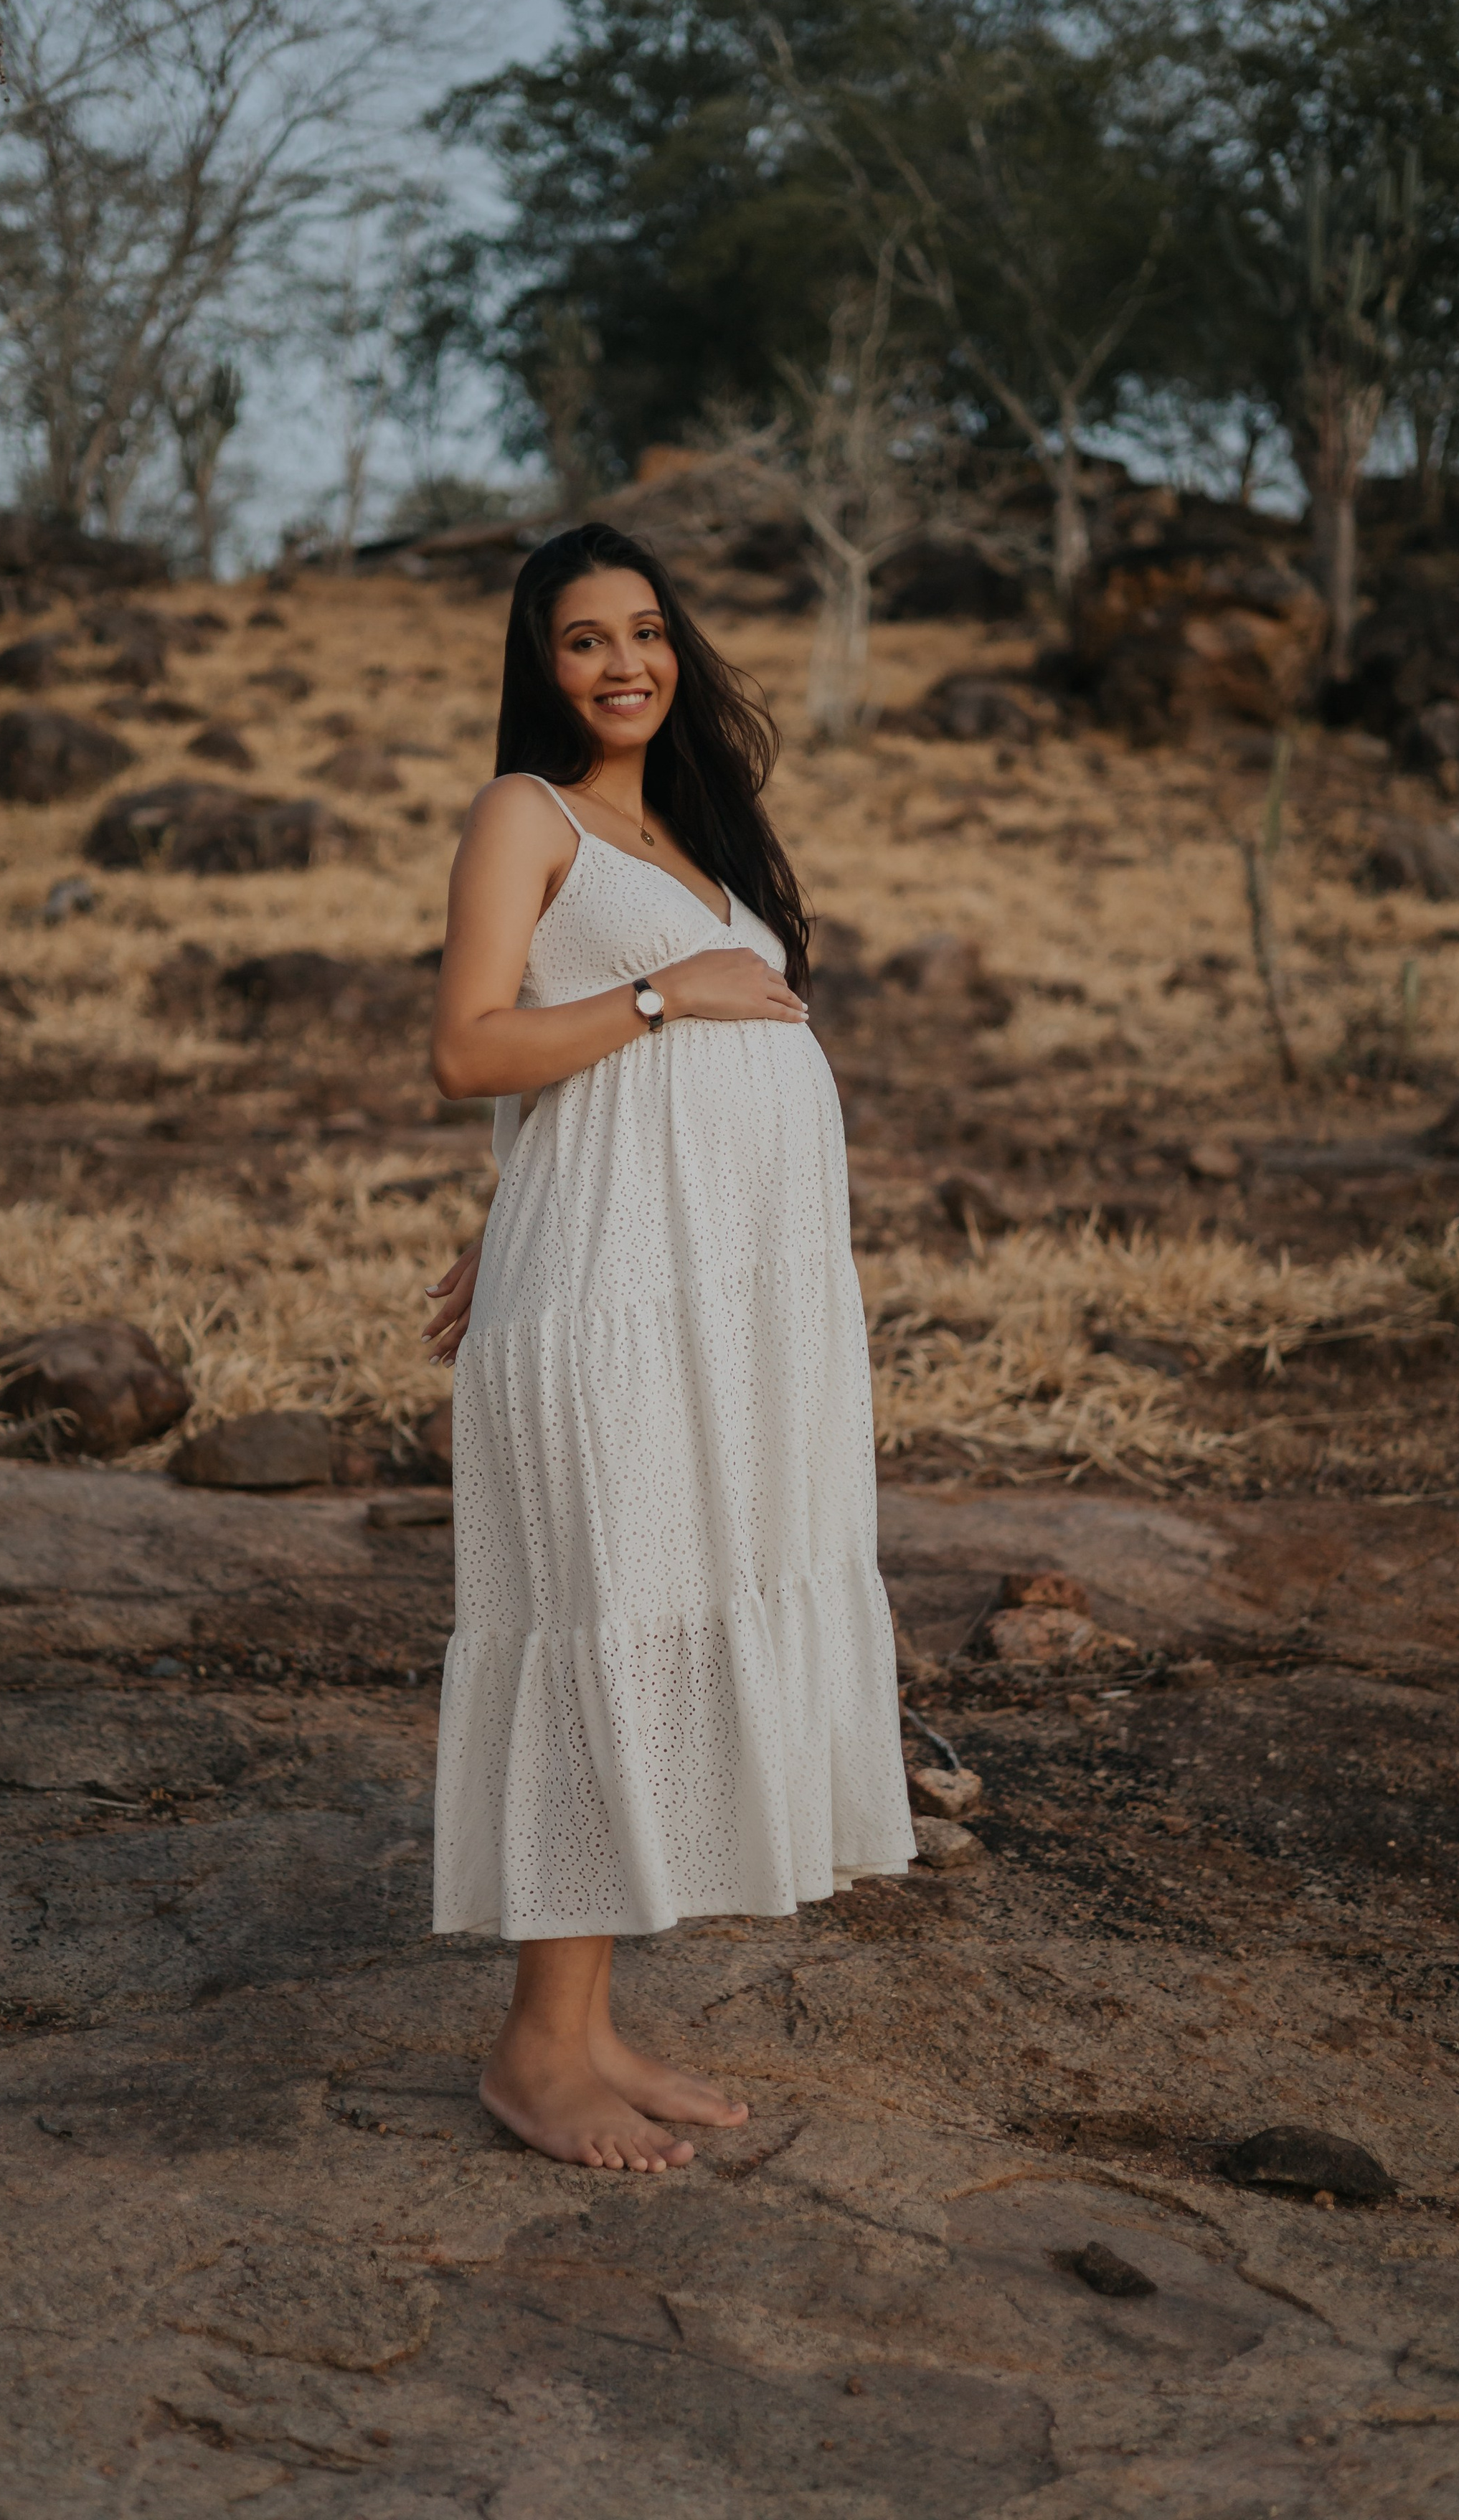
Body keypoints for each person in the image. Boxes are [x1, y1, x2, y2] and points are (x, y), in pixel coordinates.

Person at [422, 521, 912, 2172]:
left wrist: (525, 1200)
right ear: (537, 664)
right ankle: (534, 2054)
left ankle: (585, 2023)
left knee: (659, 1608)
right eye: (582, 639)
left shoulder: (689, 835)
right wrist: (659, 1002)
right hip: (619, 1308)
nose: (624, 661)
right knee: (606, 1621)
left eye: (646, 631)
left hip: (721, 1300)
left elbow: (599, 1100)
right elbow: (470, 1046)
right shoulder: (526, 815)